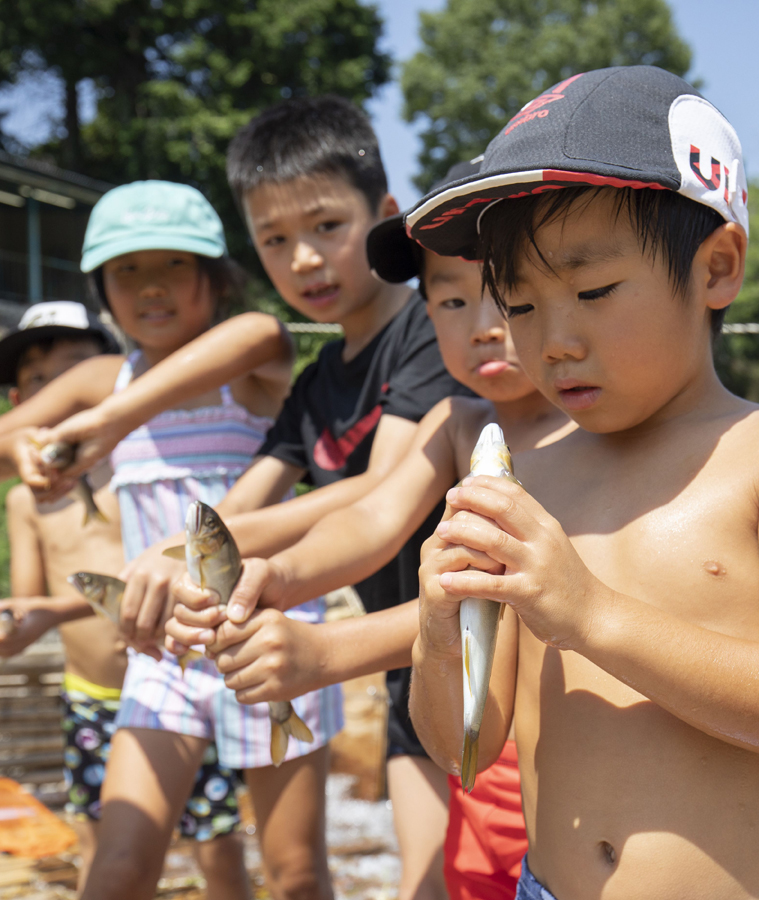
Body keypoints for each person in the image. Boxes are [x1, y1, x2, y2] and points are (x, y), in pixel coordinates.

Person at [406, 66, 759, 900]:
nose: (551, 341)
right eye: (519, 305)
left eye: (593, 291)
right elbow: (467, 752)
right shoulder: (530, 477)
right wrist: (440, 637)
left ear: (717, 268)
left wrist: (591, 614)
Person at [108, 96, 473, 900]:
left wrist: (182, 552)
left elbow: (383, 496)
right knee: (431, 887)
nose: (303, 259)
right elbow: (236, 510)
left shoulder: (430, 330)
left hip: (482, 646)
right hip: (407, 673)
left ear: (382, 217)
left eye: (325, 228)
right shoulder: (313, 387)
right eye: (275, 240)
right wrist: (187, 559)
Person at [165, 194, 572, 900]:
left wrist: (325, 654)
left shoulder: (590, 437)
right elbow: (371, 521)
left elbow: (506, 610)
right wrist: (273, 575)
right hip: (454, 717)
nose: (483, 328)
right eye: (450, 303)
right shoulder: (456, 420)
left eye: (510, 295)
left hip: (565, 753)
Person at [0, 180, 345, 900]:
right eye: (126, 270)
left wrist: (107, 421)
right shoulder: (103, 375)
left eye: (172, 266)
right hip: (162, 647)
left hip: (269, 631)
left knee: (296, 873)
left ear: (216, 278)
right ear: (101, 287)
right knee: (120, 867)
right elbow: (9, 439)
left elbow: (261, 334)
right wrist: (30, 450)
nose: (150, 287)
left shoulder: (249, 368)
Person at [0, 303, 250, 896]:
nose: (62, 398)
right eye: (41, 386)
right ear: (20, 403)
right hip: (89, 699)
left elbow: (160, 572)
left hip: (173, 685)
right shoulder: (25, 501)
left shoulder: (141, 472)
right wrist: (21, 621)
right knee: (100, 851)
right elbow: (34, 601)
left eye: (76, 377)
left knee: (217, 847)